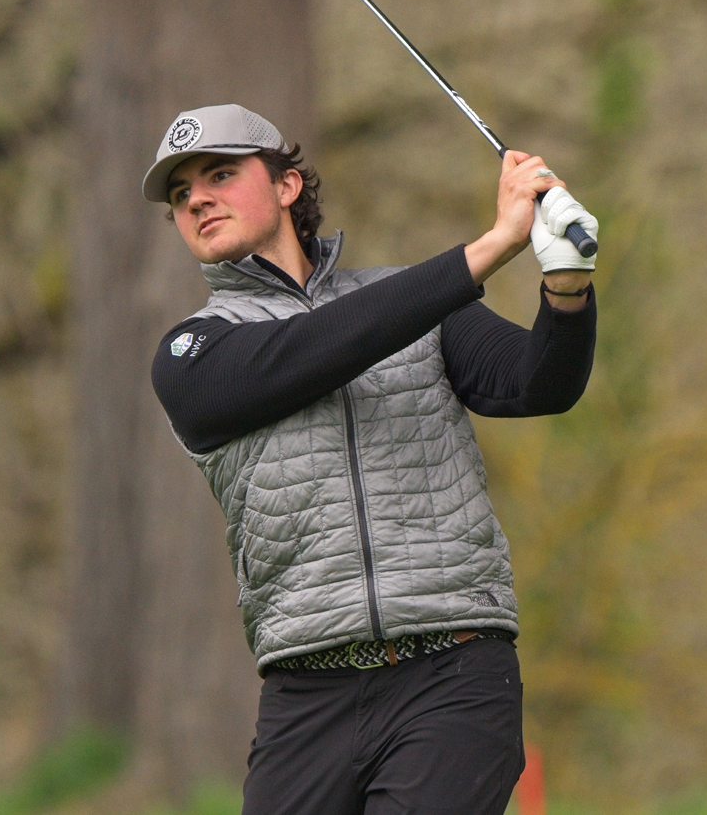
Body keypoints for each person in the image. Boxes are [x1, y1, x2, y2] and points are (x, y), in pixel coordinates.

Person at [147, 103, 598, 815]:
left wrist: (566, 288)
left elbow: (537, 383)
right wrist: (490, 247)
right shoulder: (192, 355)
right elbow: (318, 349)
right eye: (180, 194)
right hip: (305, 695)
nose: (196, 198)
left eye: (221, 175)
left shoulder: (422, 310)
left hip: (452, 673)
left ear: (287, 186)